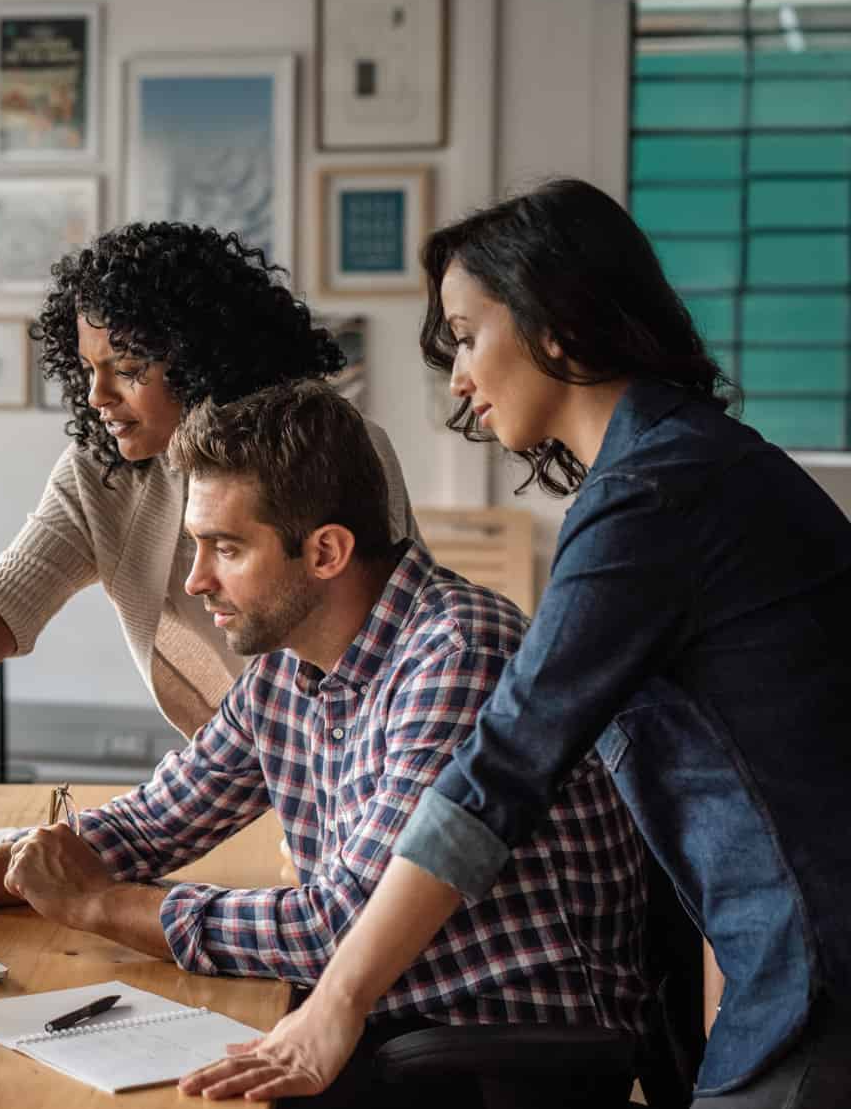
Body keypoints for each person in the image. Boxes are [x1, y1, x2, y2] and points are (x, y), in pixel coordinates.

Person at [181, 179, 851, 1108]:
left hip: (822, 964)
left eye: (466, 334)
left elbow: (500, 768)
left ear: (555, 324)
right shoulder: (685, 466)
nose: (457, 376)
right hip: (786, 961)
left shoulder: (654, 496)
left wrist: (336, 1003)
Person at [0, 381, 646, 1108]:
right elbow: (153, 823)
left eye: (226, 548)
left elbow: (337, 927)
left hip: (487, 1052)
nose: (197, 580)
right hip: (385, 1020)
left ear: (325, 551)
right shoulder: (295, 659)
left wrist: (100, 907)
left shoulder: (455, 654)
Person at [0, 222, 419, 832]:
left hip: (364, 766)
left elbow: (380, 647)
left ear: (204, 356)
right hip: (235, 772)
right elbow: (8, 598)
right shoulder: (105, 469)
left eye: (126, 368)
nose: (96, 395)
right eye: (88, 368)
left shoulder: (328, 451)